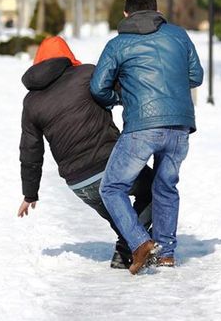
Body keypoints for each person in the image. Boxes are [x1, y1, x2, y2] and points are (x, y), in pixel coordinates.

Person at [90, 0, 204, 274]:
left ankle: (140, 242)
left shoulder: (117, 44)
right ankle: (165, 253)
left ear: (126, 14)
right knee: (166, 186)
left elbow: (97, 87)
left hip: (142, 126)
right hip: (180, 125)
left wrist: (119, 98)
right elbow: (196, 76)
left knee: (112, 187)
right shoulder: (178, 35)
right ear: (156, 11)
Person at [18, 36, 154, 269]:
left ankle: (127, 250)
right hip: (112, 164)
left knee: (122, 219)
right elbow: (125, 91)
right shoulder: (87, 74)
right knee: (156, 188)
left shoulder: (31, 102)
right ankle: (129, 246)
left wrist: (30, 193)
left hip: (78, 182)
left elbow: (30, 150)